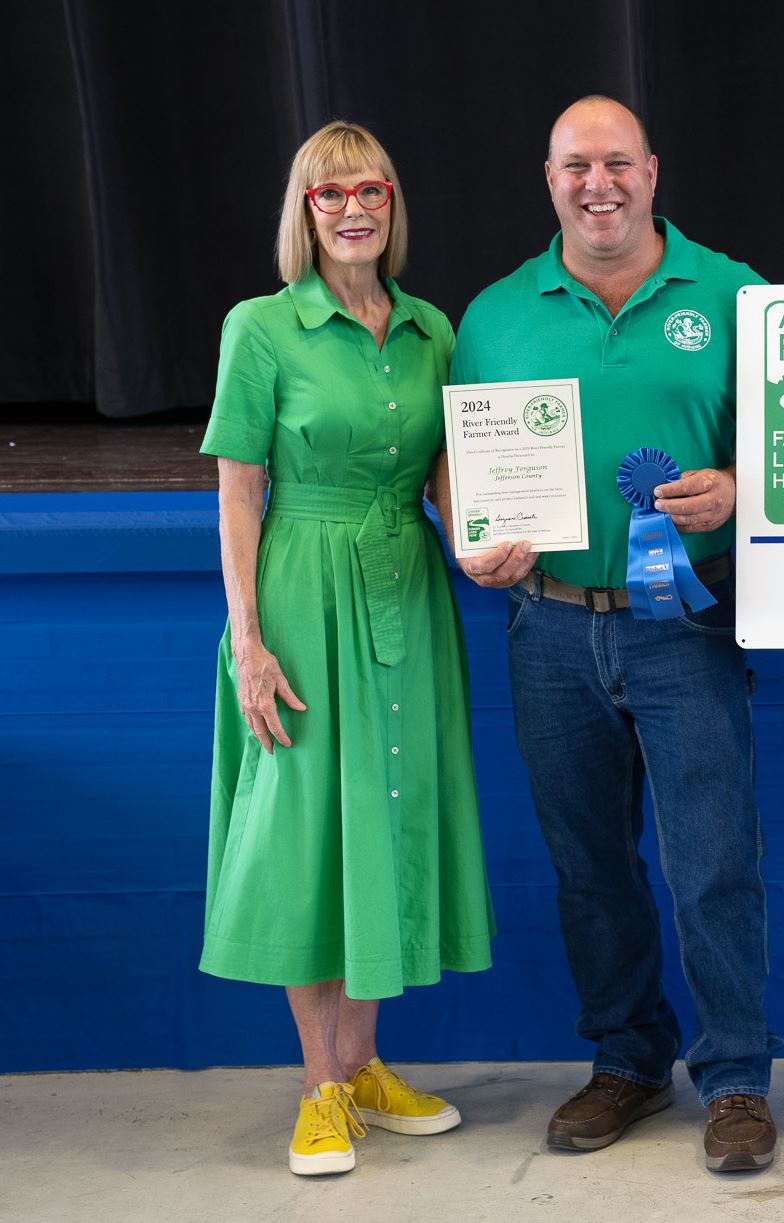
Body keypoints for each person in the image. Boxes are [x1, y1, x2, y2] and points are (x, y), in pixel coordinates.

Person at [436, 95, 780, 1173]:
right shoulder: (493, 314)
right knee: (588, 863)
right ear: (548, 179)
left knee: (713, 860)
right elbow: (453, 455)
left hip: (687, 623)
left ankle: (735, 1078)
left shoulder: (736, 293)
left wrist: (742, 485)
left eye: (617, 163)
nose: (599, 184)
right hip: (547, 631)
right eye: (577, 165)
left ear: (652, 171)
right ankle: (628, 1059)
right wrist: (465, 533)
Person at [199, 121, 495, 1177]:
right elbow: (238, 490)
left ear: (392, 203)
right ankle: (320, 1086)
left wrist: (479, 549)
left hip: (406, 590)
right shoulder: (261, 327)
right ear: (305, 210)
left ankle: (365, 1062)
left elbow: (449, 476)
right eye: (331, 194)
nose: (355, 208)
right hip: (300, 591)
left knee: (388, 807)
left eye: (372, 189)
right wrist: (248, 639)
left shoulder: (431, 328)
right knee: (311, 827)